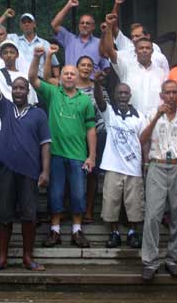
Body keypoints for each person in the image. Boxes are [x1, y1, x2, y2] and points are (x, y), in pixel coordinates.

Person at [0, 56, 51, 272]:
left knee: (29, 215)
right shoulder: (6, 109)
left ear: (28, 92)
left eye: (22, 88)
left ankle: (28, 258)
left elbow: (45, 145)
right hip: (7, 170)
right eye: (15, 88)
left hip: (29, 172)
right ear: (12, 91)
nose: (18, 91)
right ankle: (2, 258)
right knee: (5, 215)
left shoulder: (39, 114)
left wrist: (45, 171)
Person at [29, 46, 96, 248]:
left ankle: (77, 231)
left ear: (77, 78)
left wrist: (92, 156)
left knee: (77, 194)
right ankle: (55, 231)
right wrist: (36, 57)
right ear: (61, 77)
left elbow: (91, 129)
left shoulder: (85, 100)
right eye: (65, 73)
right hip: (55, 154)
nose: (68, 77)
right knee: (55, 193)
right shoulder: (53, 92)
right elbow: (32, 79)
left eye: (72, 74)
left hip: (78, 155)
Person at [139, 80, 177, 281]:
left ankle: (173, 259)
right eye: (167, 93)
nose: (171, 96)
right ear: (161, 95)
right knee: (153, 215)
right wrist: (157, 116)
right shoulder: (151, 114)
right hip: (157, 164)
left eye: (174, 93)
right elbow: (142, 139)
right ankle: (150, 261)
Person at [43, 48, 109, 223]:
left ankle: (87, 210)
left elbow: (103, 109)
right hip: (70, 137)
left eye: (90, 65)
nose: (86, 68)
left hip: (95, 133)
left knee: (92, 172)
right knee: (65, 172)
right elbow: (45, 78)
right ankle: (63, 209)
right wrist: (48, 56)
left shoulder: (98, 87)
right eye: (83, 65)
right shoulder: (64, 85)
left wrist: (99, 86)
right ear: (77, 68)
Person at [93, 73, 146, 250]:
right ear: (115, 96)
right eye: (119, 93)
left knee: (134, 205)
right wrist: (98, 84)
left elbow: (143, 141)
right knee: (111, 202)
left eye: (125, 93)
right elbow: (99, 101)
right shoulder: (110, 113)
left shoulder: (140, 116)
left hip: (133, 168)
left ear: (130, 96)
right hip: (113, 166)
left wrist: (144, 164)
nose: (123, 96)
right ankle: (114, 233)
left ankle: (132, 233)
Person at [100, 14, 167, 116]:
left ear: (152, 50)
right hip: (132, 118)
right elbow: (109, 50)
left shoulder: (160, 63)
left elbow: (167, 88)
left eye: (147, 48)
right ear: (136, 50)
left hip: (157, 117)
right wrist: (109, 27)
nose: (144, 51)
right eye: (141, 48)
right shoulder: (126, 63)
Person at [0, 8, 60, 78]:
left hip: (39, 81)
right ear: (20, 26)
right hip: (19, 80)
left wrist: (57, 81)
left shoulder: (44, 43)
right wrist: (4, 16)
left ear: (34, 24)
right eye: (24, 22)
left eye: (29, 22)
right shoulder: (14, 39)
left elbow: (55, 65)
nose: (27, 24)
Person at [50, 0, 110, 74]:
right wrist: (68, 6)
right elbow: (54, 25)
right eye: (82, 23)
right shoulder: (69, 39)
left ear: (93, 27)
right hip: (70, 82)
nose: (84, 25)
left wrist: (98, 79)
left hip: (91, 84)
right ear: (78, 26)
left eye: (87, 23)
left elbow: (106, 68)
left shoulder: (100, 43)